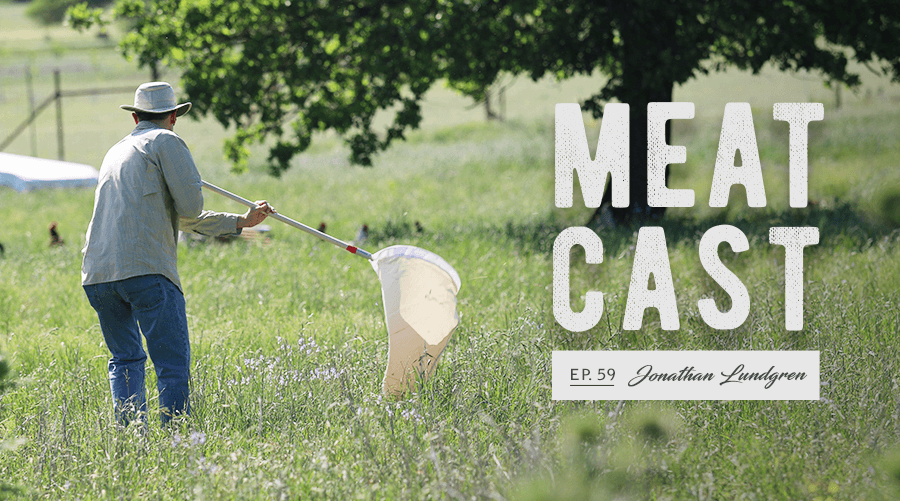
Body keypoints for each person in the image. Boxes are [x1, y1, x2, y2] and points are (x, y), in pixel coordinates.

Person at [81, 82, 275, 427]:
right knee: (171, 364)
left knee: (126, 360)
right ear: (173, 116)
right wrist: (233, 215)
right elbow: (190, 207)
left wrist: (241, 222)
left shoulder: (116, 151)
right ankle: (176, 439)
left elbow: (180, 216)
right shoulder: (166, 141)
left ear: (136, 116)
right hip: (146, 270)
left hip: (97, 274)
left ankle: (130, 438)